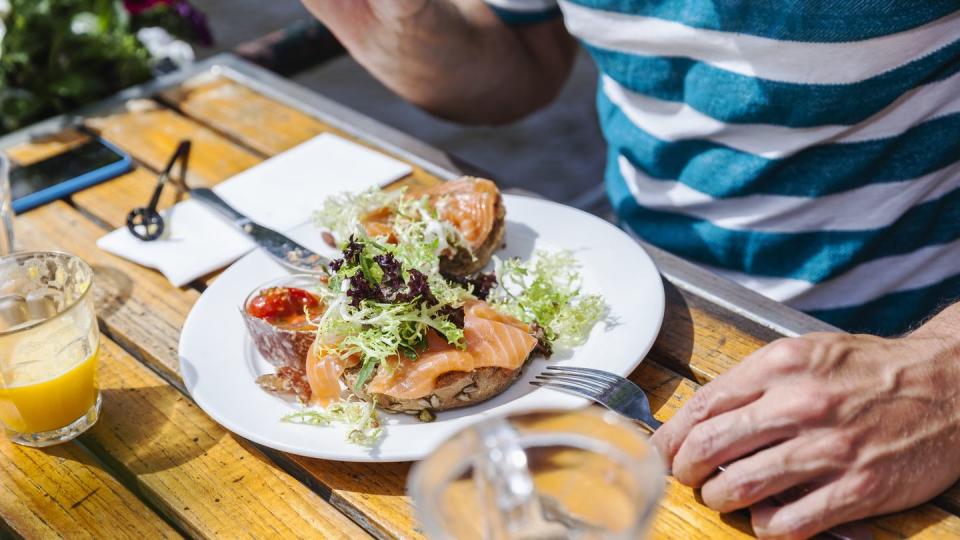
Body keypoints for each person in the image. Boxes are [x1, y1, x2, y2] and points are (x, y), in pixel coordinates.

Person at [301, 1, 960, 537]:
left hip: (909, 342)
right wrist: (398, 16)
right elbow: (518, 68)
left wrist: (944, 376)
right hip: (640, 324)